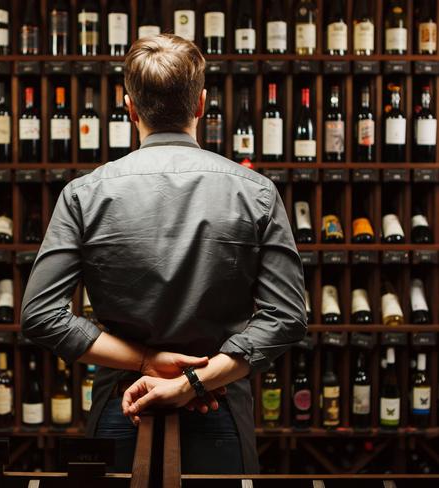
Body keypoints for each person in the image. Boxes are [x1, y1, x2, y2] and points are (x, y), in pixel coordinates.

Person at [21, 34, 307, 474]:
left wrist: (144, 362)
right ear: (201, 105)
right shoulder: (256, 193)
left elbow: (41, 316)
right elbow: (286, 318)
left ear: (129, 107)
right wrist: (195, 381)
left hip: (123, 402)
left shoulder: (84, 194)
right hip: (219, 405)